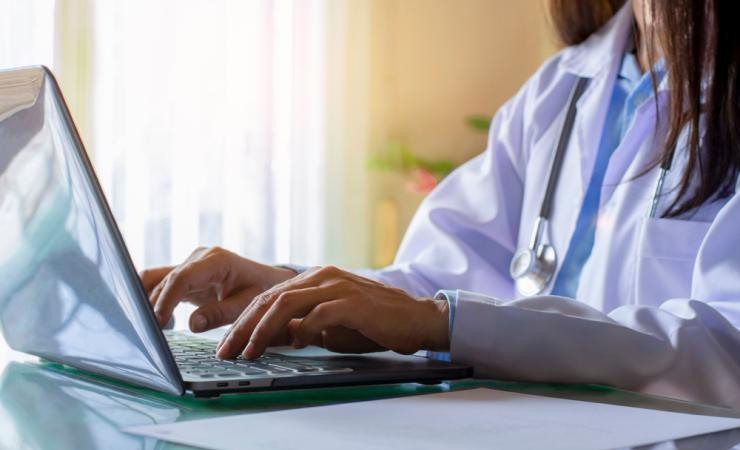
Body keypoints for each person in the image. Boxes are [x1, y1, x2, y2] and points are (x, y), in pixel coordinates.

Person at [142, 0, 740, 409]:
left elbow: (727, 346)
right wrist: (289, 294)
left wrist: (441, 321)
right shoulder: (562, 90)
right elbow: (434, 284)